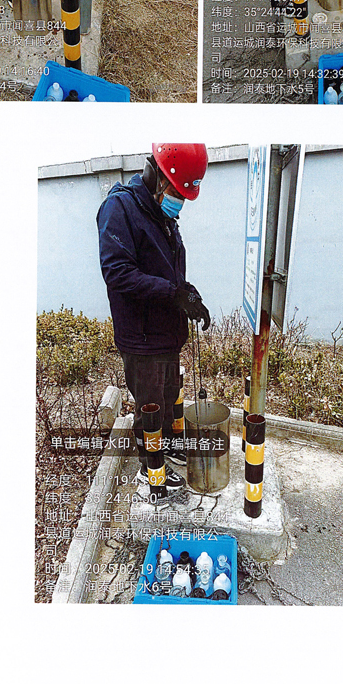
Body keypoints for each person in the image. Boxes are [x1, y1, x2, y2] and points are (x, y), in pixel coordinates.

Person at [97, 144, 211, 492]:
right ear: (159, 176)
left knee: (168, 395)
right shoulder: (120, 208)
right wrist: (172, 293)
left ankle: (165, 447)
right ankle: (150, 468)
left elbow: (165, 269)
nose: (180, 202)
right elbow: (117, 272)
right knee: (150, 404)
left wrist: (188, 293)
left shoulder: (161, 214)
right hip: (142, 336)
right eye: (177, 192)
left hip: (166, 333)